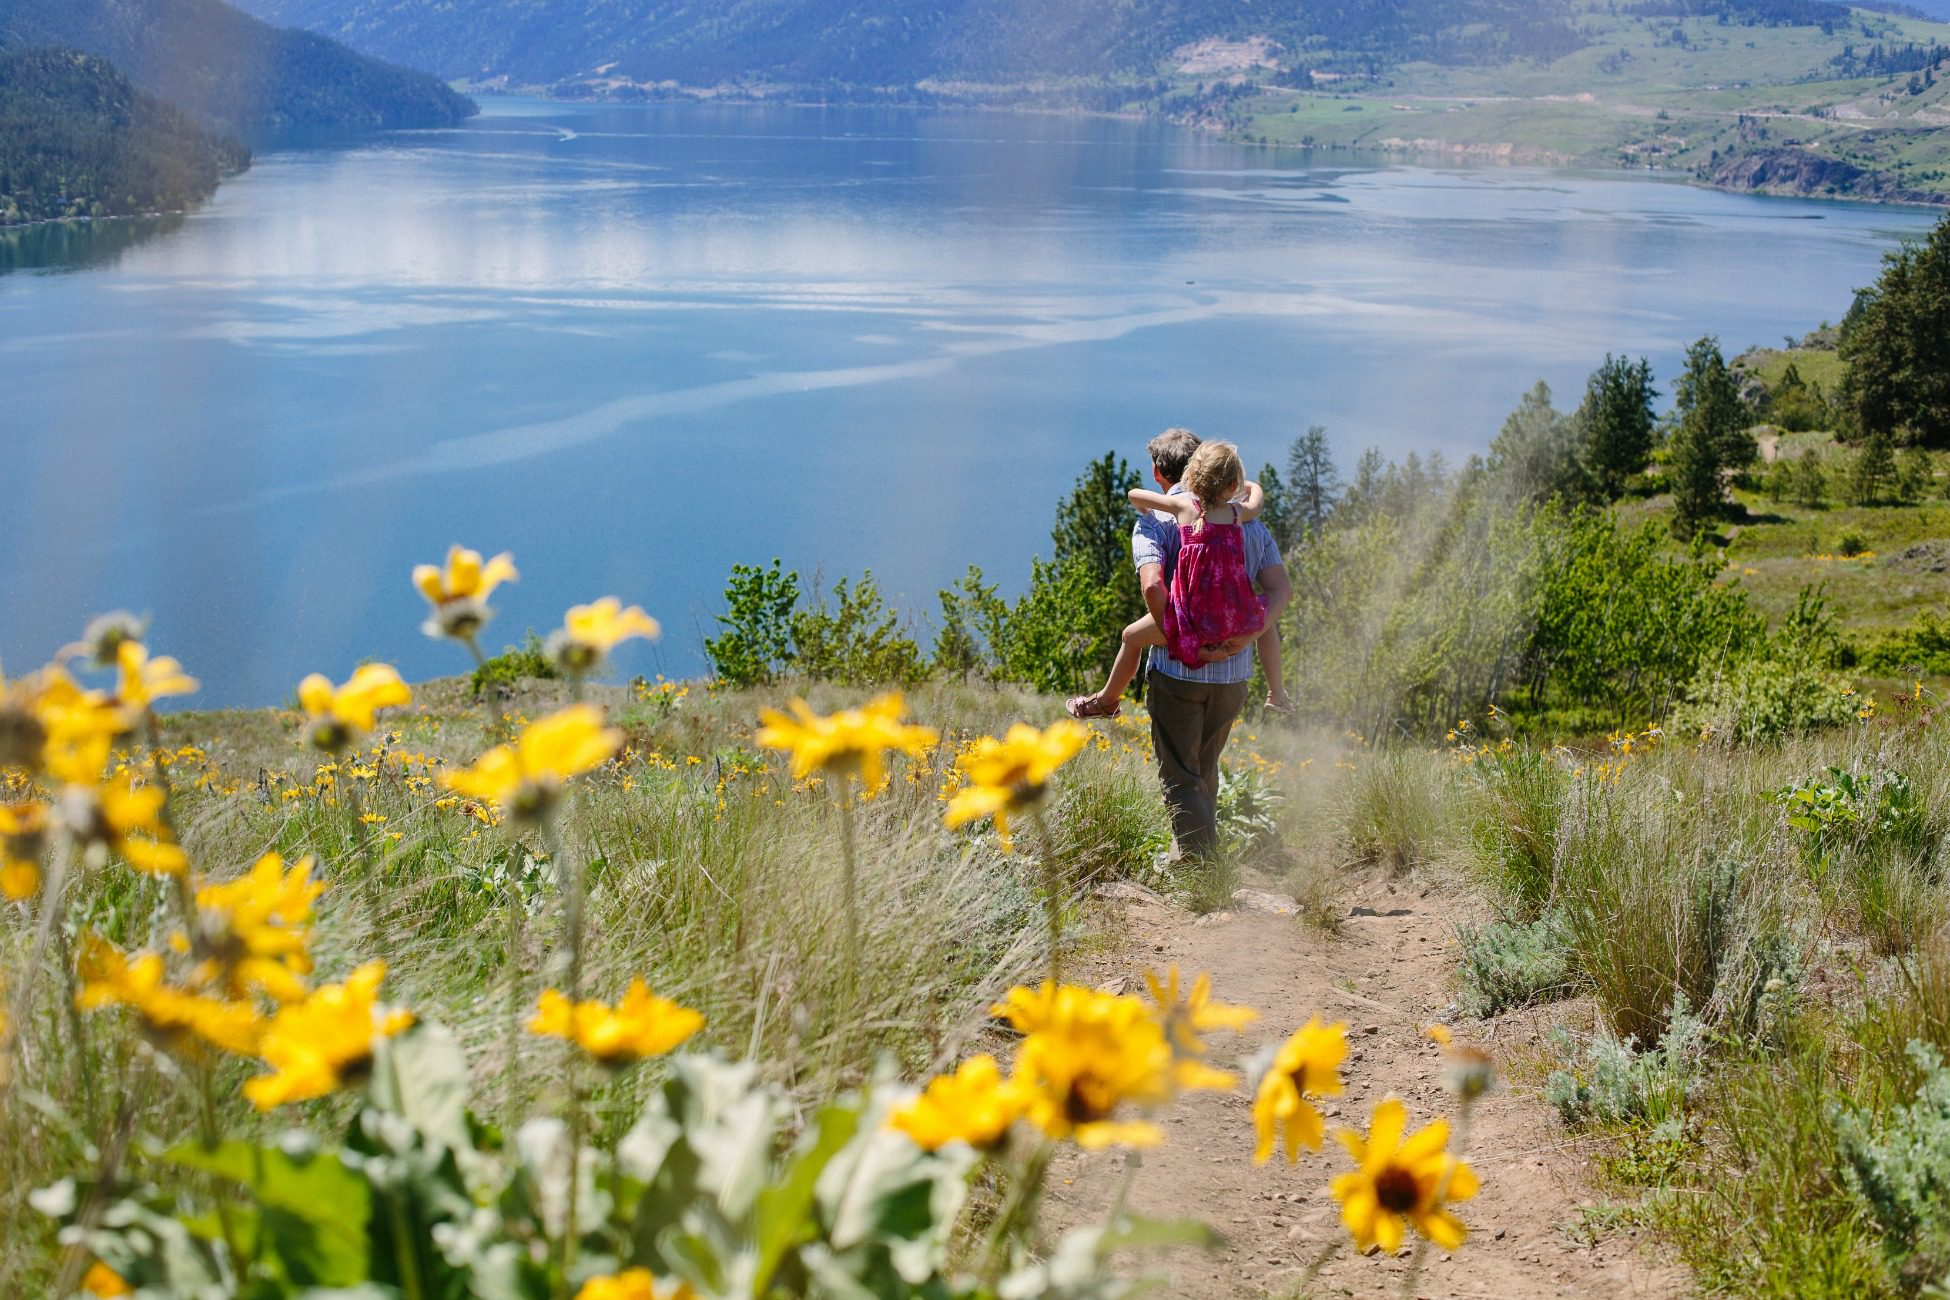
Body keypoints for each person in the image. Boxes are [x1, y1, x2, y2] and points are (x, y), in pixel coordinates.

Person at [1127, 428, 1293, 861]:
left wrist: (1186, 642)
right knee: (1204, 767)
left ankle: (1204, 871)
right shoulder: (1247, 522)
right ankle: (1195, 854)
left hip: (1180, 668)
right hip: (1235, 674)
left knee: (1180, 774)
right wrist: (1249, 635)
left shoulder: (1169, 517)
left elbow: (1152, 587)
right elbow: (1280, 590)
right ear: (1233, 484)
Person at [1066, 440, 1290, 720]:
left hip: (1193, 617)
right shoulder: (1237, 514)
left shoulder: (1182, 507)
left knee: (1130, 636)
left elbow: (1135, 496)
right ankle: (1277, 692)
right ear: (1232, 486)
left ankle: (1107, 700)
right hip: (1232, 615)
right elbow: (1256, 500)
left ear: (1191, 479)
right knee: (1263, 621)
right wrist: (1248, 486)